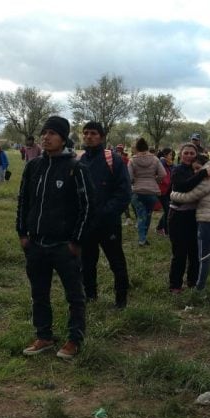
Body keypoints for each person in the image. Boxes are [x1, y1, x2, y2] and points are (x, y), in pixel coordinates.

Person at [16, 115, 95, 359]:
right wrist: (22, 233)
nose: (46, 137)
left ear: (63, 139)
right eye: (44, 133)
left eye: (52, 133)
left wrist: (76, 241)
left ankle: (74, 340)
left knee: (74, 295)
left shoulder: (75, 169)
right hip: (36, 243)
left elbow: (88, 206)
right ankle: (44, 336)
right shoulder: (33, 167)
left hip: (64, 246)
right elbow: (23, 201)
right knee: (39, 293)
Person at [78, 121, 132, 309]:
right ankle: (90, 297)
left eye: (93, 133)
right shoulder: (80, 161)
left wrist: (104, 213)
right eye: (85, 133)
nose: (89, 136)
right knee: (87, 263)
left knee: (116, 262)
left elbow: (124, 193)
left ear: (101, 137)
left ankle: (121, 300)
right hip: (86, 225)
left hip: (108, 224)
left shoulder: (113, 160)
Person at [170, 159, 210, 296]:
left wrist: (172, 194)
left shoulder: (207, 184)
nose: (197, 172)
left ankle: (199, 287)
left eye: (200, 169)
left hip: (207, 223)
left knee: (203, 257)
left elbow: (188, 197)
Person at [168, 143, 210, 293]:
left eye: (192, 153)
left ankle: (192, 281)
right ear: (180, 155)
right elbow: (183, 186)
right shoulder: (177, 170)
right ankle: (175, 285)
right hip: (178, 216)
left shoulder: (200, 168)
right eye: (186, 153)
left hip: (195, 216)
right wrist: (202, 174)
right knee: (179, 253)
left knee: (195, 251)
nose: (189, 156)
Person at [128, 137, 166, 246]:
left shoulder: (132, 160)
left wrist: (135, 180)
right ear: (147, 147)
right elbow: (163, 174)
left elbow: (129, 177)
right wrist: (155, 180)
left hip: (137, 191)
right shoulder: (155, 159)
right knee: (148, 214)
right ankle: (144, 236)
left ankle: (142, 239)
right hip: (152, 191)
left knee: (141, 215)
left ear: (137, 148)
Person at [155, 147, 174, 236]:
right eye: (170, 154)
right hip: (162, 190)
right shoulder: (162, 162)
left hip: (168, 190)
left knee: (168, 210)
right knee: (167, 210)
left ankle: (160, 227)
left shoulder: (170, 164)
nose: (171, 156)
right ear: (165, 155)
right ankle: (165, 230)